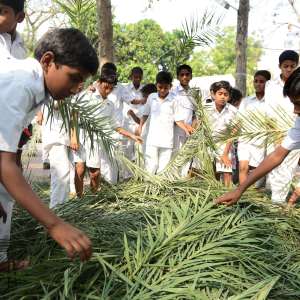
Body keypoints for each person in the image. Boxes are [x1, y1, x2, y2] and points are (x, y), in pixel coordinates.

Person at [0, 28, 99, 272]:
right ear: (48, 61)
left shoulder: (40, 89)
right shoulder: (21, 83)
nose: (77, 88)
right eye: (74, 78)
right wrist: (54, 224)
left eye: (82, 82)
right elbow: (4, 163)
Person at [215, 66, 300, 206]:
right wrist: (239, 190)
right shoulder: (298, 121)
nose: (295, 110)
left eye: (298, 103)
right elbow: (277, 156)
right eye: (293, 103)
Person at [73, 70, 143, 196]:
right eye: (106, 87)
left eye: (111, 89)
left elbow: (115, 126)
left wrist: (132, 135)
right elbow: (74, 113)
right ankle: (79, 198)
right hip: (81, 135)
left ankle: (93, 198)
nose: (108, 91)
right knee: (80, 169)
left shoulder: (110, 105)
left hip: (96, 140)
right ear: (99, 82)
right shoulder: (87, 95)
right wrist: (73, 137)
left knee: (95, 173)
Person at [137, 71, 191, 175]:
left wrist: (187, 129)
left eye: (165, 88)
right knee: (151, 166)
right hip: (152, 140)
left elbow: (178, 120)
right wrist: (140, 127)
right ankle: (149, 189)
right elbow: (145, 114)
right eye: (160, 87)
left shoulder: (174, 100)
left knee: (163, 169)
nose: (162, 90)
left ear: (170, 86)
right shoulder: (151, 97)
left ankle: (160, 190)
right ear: (156, 84)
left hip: (167, 141)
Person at [264, 50, 299, 204]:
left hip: (295, 130)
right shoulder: (271, 86)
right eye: (286, 66)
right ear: (280, 66)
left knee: (288, 169)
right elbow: (269, 111)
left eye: (293, 66)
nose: (289, 69)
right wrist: (275, 134)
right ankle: (276, 203)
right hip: (276, 131)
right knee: (276, 168)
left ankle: (278, 203)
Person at [238, 70, 271, 186]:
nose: (258, 84)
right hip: (244, 140)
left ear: (268, 83)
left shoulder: (270, 102)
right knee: (243, 168)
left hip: (260, 142)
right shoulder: (246, 101)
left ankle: (252, 198)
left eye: (261, 82)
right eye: (256, 81)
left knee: (255, 172)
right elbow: (239, 120)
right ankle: (243, 198)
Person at [205, 81, 237, 187]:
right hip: (209, 144)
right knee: (212, 175)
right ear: (213, 94)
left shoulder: (233, 111)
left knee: (227, 173)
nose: (223, 97)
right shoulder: (206, 108)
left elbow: (232, 134)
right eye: (220, 94)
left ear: (229, 96)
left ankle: (228, 196)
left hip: (226, 145)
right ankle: (214, 196)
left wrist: (224, 154)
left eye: (225, 94)